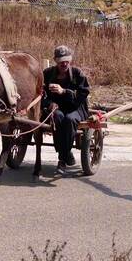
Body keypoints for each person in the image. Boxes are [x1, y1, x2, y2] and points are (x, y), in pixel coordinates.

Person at [42, 45, 90, 173]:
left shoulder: (77, 73)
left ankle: (62, 159)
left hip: (76, 108)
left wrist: (64, 92)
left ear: (70, 60)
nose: (64, 63)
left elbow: (83, 93)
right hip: (56, 108)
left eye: (66, 60)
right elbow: (40, 95)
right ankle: (66, 153)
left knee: (69, 120)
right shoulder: (47, 74)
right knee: (57, 117)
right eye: (61, 61)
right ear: (55, 61)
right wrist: (49, 103)